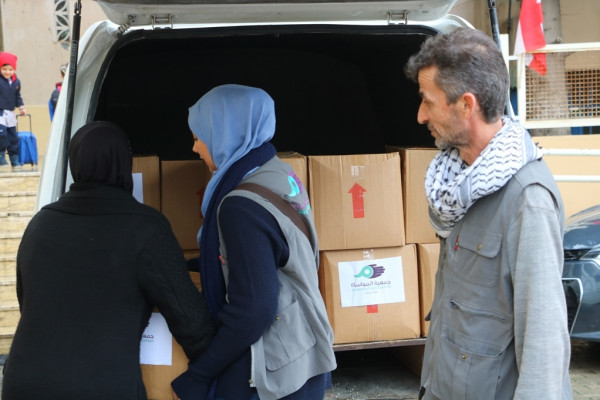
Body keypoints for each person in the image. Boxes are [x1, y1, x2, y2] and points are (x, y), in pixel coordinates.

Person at [404, 28, 573, 399]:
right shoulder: (458, 182)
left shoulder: (527, 200)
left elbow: (544, 347)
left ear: (466, 105)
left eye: (428, 102)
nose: (420, 116)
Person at [2, 121, 217, 400]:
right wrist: (210, 373)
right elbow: (190, 320)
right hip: (101, 386)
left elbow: (28, 302)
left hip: (24, 382)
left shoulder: (40, 223)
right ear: (124, 163)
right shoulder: (145, 227)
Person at [171, 84, 337, 400]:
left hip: (273, 371)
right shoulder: (278, 173)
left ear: (224, 134)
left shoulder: (240, 206)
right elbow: (263, 257)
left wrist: (199, 375)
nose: (195, 148)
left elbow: (254, 310)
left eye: (198, 137)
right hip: (303, 346)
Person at [0, 51, 25, 171]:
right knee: (2, 134)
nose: (7, 72)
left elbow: (17, 96)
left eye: (10, 69)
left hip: (10, 112)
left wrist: (21, 108)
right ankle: (1, 155)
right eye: (4, 69)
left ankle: (14, 159)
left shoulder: (16, 82)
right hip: (0, 112)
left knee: (13, 137)